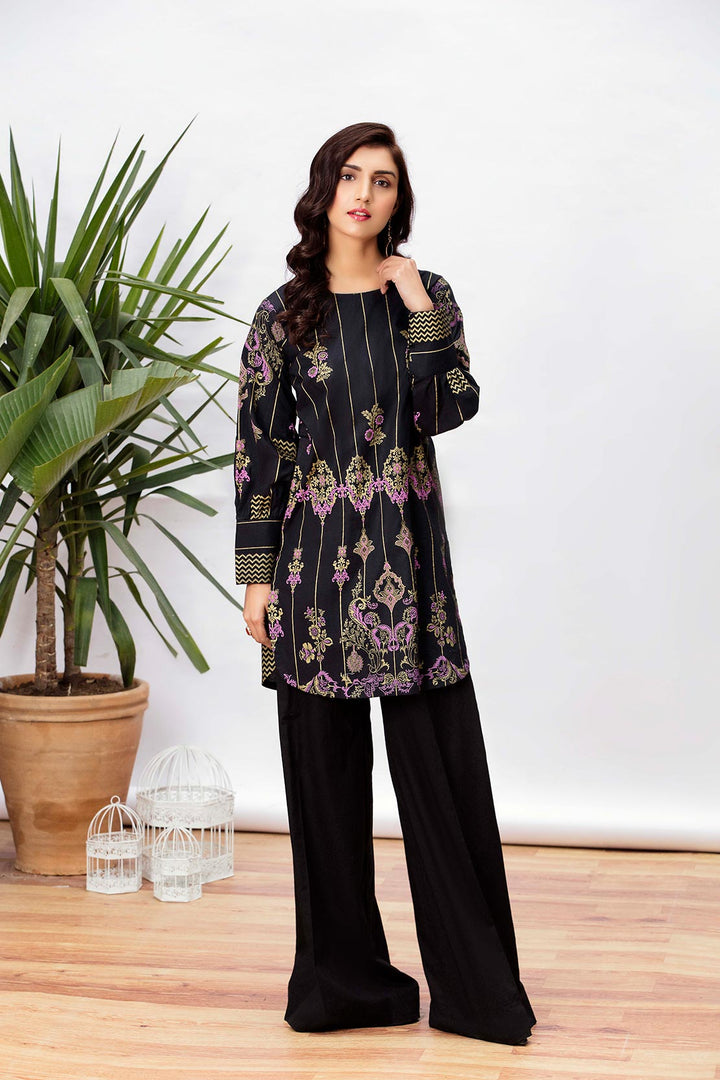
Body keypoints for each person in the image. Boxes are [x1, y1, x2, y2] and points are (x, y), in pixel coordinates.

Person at [234, 122, 536, 1045]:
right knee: (323, 790)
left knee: (442, 780)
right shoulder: (283, 315)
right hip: (315, 573)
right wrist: (256, 581)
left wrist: (415, 304)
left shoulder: (424, 294)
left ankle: (478, 994)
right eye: (351, 176)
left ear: (400, 200)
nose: (364, 194)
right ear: (324, 188)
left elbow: (451, 406)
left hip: (411, 575)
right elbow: (259, 453)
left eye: (384, 182)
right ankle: (343, 987)